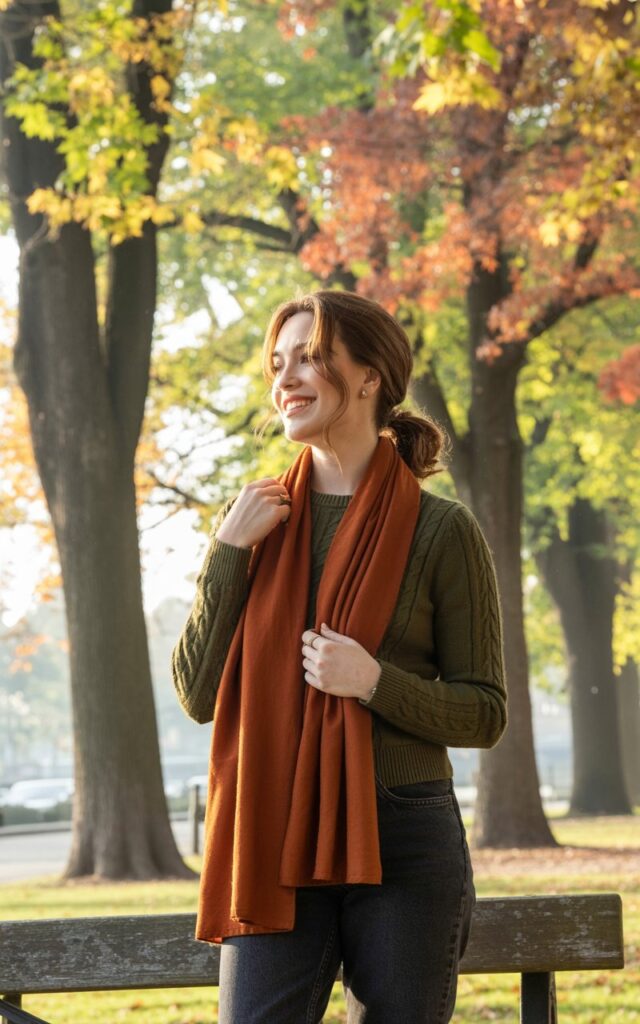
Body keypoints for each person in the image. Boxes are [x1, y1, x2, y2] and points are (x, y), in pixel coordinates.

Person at [171, 288, 507, 1024]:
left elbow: (485, 713)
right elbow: (198, 694)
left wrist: (376, 682)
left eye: (309, 359)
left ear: (368, 376)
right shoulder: (252, 523)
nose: (284, 379)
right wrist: (227, 554)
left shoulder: (443, 532)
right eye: (277, 364)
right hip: (273, 824)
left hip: (405, 838)